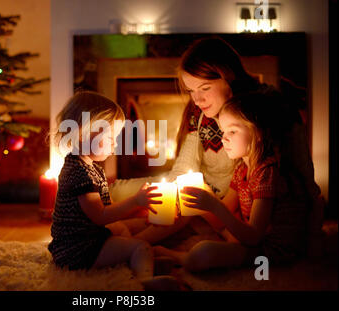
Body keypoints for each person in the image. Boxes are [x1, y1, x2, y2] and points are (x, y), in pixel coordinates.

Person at [109, 37, 323, 250]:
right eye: (191, 91)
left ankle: (131, 244)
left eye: (204, 88)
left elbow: (302, 171)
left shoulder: (260, 113)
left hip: (226, 201)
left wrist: (313, 229)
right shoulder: (199, 112)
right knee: (129, 194)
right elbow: (184, 164)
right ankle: (107, 223)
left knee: (172, 205)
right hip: (201, 187)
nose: (197, 100)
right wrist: (167, 191)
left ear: (228, 76)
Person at [154, 92, 310, 270]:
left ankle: (179, 258)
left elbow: (254, 237)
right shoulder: (241, 170)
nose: (223, 138)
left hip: (271, 250)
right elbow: (224, 215)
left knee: (204, 252)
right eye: (223, 131)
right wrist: (200, 201)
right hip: (253, 240)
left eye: (232, 131)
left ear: (258, 133)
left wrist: (213, 205)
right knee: (204, 225)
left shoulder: (267, 173)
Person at [48, 91, 181, 290]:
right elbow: (100, 216)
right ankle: (144, 282)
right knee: (139, 245)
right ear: (84, 132)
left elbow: (107, 209)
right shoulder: (78, 173)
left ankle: (140, 259)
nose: (115, 143)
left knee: (134, 226)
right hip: (78, 249)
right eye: (110, 137)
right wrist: (135, 201)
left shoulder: (89, 167)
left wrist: (138, 209)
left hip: (89, 236)